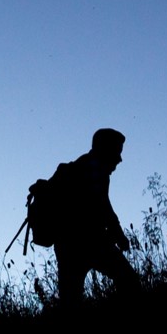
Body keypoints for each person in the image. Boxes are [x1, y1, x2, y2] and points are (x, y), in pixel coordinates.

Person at [51, 128, 140, 307]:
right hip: (89, 243)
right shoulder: (93, 170)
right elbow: (102, 206)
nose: (119, 159)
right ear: (105, 149)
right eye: (117, 152)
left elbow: (102, 206)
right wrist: (119, 236)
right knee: (130, 282)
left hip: (67, 245)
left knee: (70, 301)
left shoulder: (85, 167)